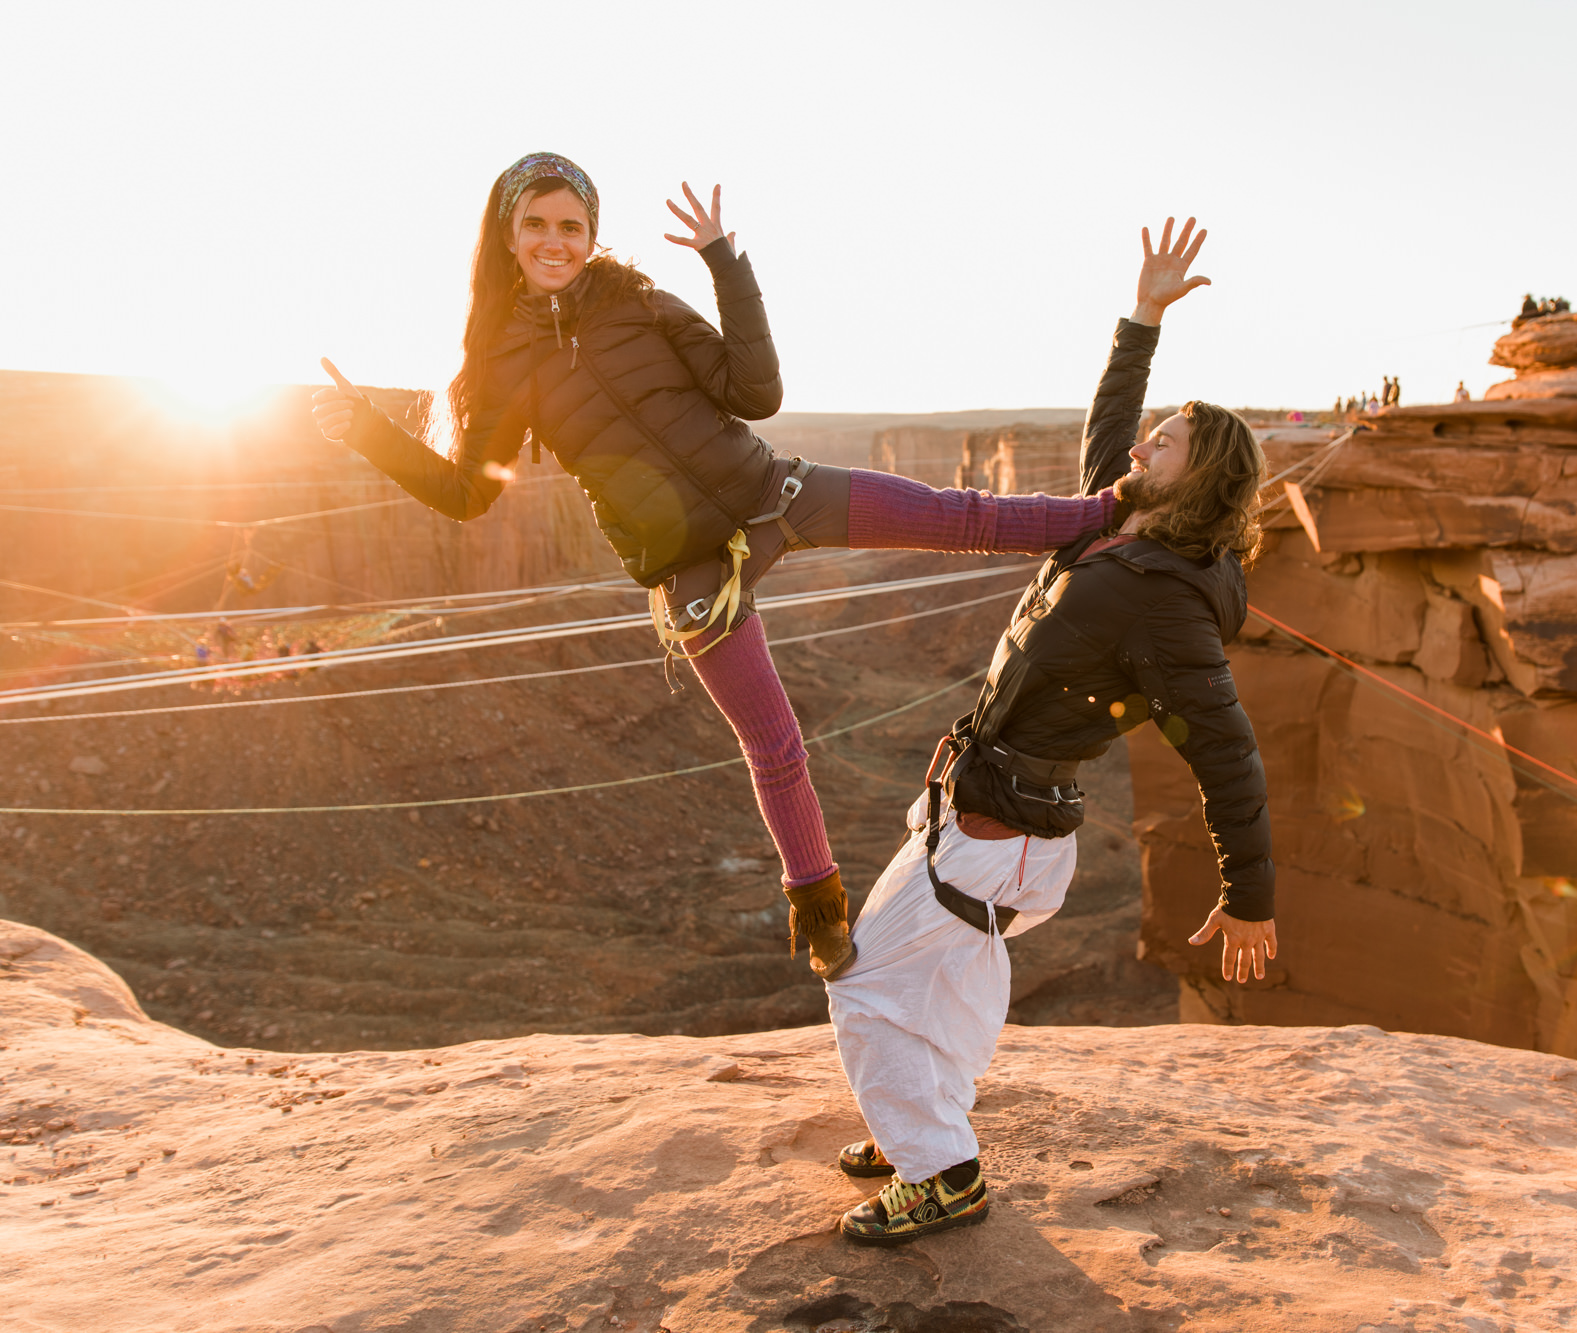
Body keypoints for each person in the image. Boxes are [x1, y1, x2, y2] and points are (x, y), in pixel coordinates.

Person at [309, 153, 1117, 982]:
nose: (555, 241)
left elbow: (755, 390)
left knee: (961, 516)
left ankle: (1108, 516)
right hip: (692, 567)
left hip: (773, 490)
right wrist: (367, 430)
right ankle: (823, 915)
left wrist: (724, 262)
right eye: (536, 225)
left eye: (571, 225)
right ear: (508, 235)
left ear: (591, 233)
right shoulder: (501, 359)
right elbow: (465, 493)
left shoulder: (638, 301)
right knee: (774, 744)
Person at [821, 217, 1277, 1245]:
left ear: (1192, 480)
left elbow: (1224, 748)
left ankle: (940, 1172)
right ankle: (919, 1122)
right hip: (993, 818)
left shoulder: (1163, 598)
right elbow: (1105, 433)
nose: (1138, 444)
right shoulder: (1119, 523)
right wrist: (1142, 317)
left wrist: (1248, 895)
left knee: (861, 978)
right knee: (943, 976)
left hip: (1000, 831)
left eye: (1163, 442)